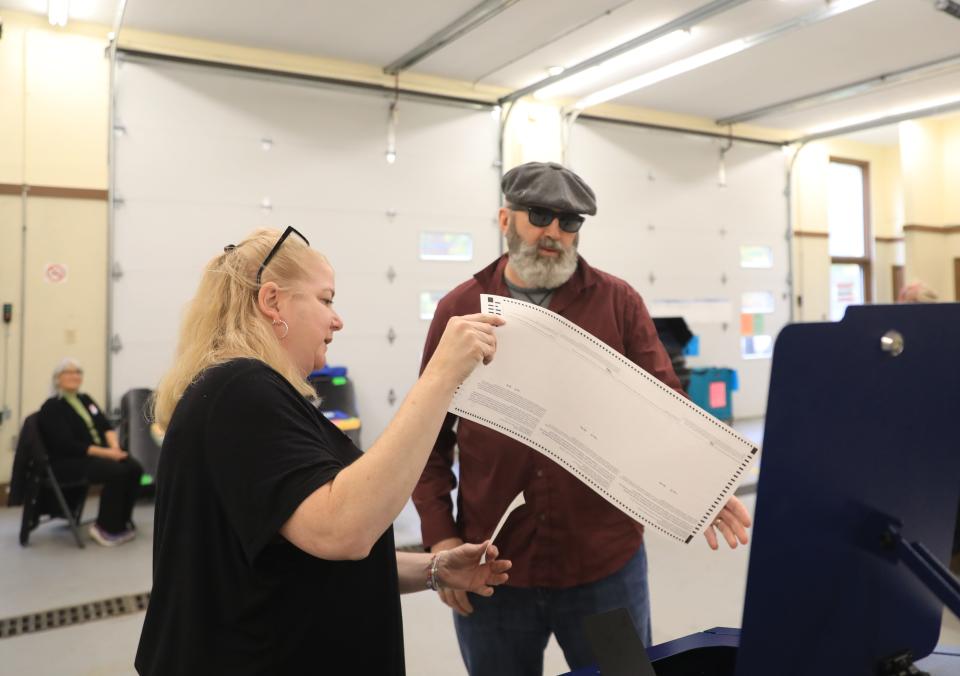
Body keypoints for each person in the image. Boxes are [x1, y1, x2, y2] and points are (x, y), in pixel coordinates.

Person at [413, 161, 753, 676]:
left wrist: (700, 482)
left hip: (604, 564)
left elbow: (666, 406)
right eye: (540, 215)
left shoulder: (618, 302)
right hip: (492, 565)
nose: (553, 232)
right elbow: (427, 437)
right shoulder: (460, 309)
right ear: (505, 218)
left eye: (569, 221)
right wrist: (441, 540)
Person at [135, 227, 511, 675]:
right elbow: (341, 530)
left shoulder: (240, 392)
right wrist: (442, 375)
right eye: (326, 300)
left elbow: (302, 549)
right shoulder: (242, 391)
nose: (337, 320)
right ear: (272, 302)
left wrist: (433, 569)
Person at [37, 358, 143, 546]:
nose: (74, 376)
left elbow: (105, 425)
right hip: (68, 461)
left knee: (134, 467)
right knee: (116, 471)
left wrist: (115, 449)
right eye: (68, 372)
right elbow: (67, 445)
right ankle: (105, 528)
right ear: (57, 379)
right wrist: (109, 454)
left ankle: (121, 521)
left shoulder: (85, 400)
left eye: (78, 372)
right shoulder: (51, 407)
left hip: (97, 456)